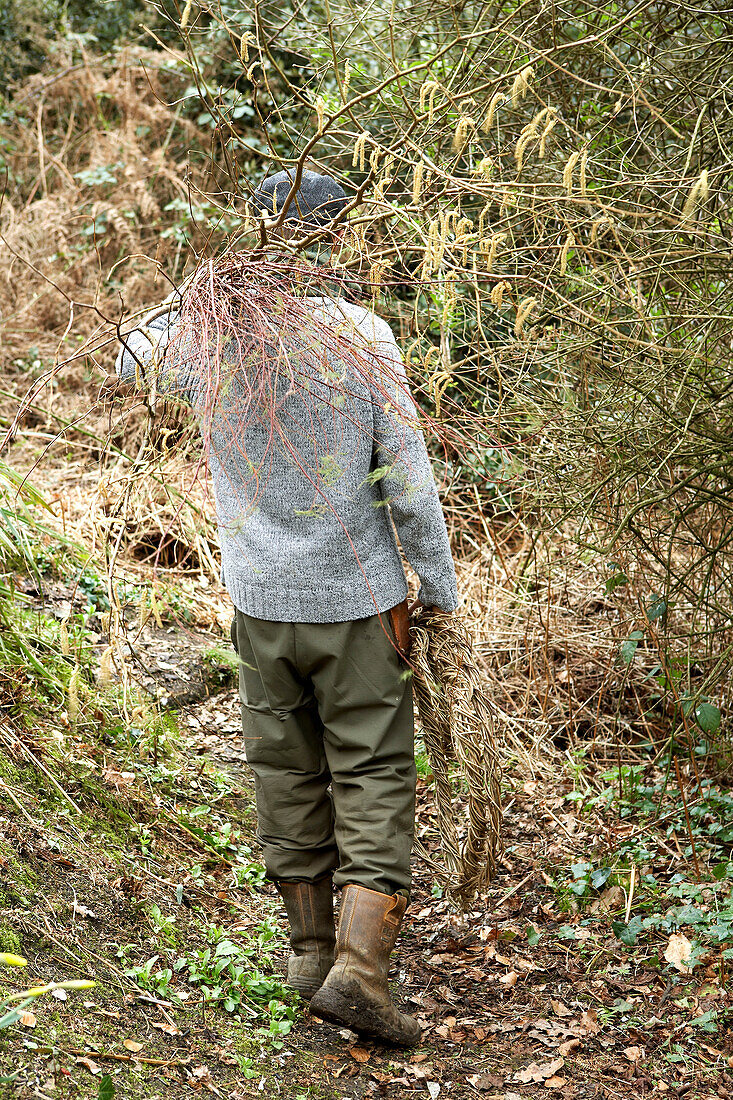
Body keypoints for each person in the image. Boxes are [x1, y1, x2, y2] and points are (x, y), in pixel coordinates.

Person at [113, 169, 458, 1046]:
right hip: (359, 606)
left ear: (258, 233)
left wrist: (203, 289)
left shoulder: (212, 330)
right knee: (372, 772)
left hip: (258, 606)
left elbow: (127, 358)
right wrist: (438, 590)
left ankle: (307, 955)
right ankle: (359, 972)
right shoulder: (361, 333)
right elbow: (409, 481)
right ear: (336, 238)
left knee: (284, 767)